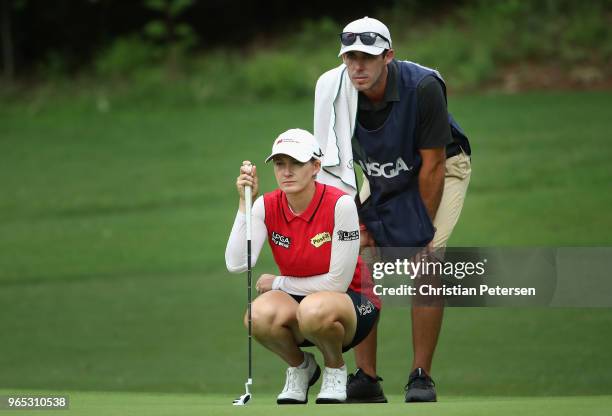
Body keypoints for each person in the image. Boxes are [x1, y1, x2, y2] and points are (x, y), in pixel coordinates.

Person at [313, 17, 472, 403]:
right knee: (359, 256)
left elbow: (432, 164)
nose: (357, 66)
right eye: (350, 57)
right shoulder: (332, 89)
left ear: (388, 56)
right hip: (382, 172)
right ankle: (366, 378)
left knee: (426, 260)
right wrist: (355, 224)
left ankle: (421, 377)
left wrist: (417, 233)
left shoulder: (423, 86)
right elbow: (334, 168)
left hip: (442, 169)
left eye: (367, 57)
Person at [225, 128, 381, 404]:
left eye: (296, 163)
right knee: (256, 316)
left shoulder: (340, 204)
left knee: (314, 308)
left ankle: (335, 368)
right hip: (303, 304)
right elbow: (237, 263)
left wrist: (277, 283)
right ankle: (301, 367)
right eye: (279, 164)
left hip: (353, 304)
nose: (286, 171)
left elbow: (337, 284)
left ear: (315, 167)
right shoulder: (266, 205)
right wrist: (244, 204)